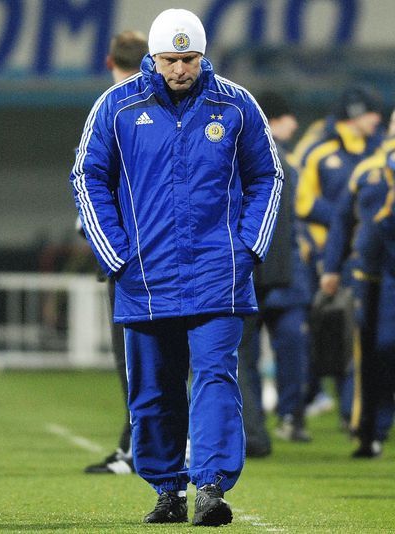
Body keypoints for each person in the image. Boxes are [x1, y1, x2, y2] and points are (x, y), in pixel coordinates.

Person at [70, 8, 283, 527]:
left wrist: (248, 248)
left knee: (216, 378)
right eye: (170, 60)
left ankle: (210, 487)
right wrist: (116, 254)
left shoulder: (236, 104)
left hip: (218, 273)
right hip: (144, 276)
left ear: (203, 55)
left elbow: (268, 177)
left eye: (190, 59)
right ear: (153, 57)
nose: (181, 69)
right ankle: (167, 489)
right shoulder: (117, 106)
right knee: (153, 391)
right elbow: (87, 177)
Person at [295, 86, 383, 425]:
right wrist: (345, 221)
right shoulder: (320, 151)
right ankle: (322, 400)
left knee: (364, 330)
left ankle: (358, 410)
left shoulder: (378, 151)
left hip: (369, 254)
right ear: (357, 113)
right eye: (371, 112)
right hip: (326, 256)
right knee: (335, 329)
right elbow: (303, 202)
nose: (377, 119)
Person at [82, 30, 148, 475]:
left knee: (133, 356)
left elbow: (90, 181)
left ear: (109, 62)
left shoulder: (109, 109)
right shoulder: (171, 107)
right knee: (181, 358)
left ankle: (146, 446)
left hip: (126, 255)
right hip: (171, 251)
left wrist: (110, 251)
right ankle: (144, 443)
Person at [238, 91, 311, 450]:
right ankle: (279, 420)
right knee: (278, 351)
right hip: (278, 272)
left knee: (242, 355)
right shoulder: (281, 162)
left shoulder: (244, 156)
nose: (294, 125)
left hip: (253, 273)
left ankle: (254, 431)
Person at [321, 120, 395, 457]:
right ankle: (368, 431)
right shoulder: (367, 170)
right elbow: (342, 220)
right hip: (371, 277)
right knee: (372, 351)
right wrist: (332, 266)